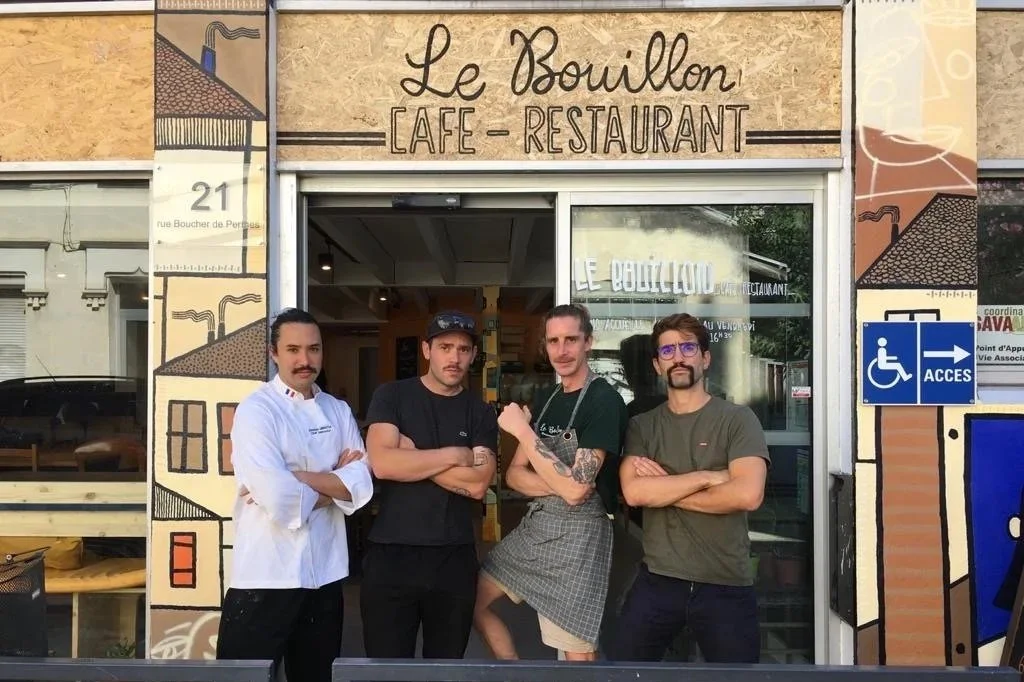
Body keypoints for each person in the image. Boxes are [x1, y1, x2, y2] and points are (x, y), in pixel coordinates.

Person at [216, 308, 374, 682]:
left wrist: (298, 477)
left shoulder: (337, 410)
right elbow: (276, 494)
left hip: (326, 575)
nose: (305, 360)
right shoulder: (256, 411)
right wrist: (335, 485)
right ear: (273, 353)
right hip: (265, 577)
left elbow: (362, 481)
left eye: (313, 349)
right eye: (293, 350)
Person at [608, 312, 770, 664]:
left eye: (688, 348)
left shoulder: (737, 420)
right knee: (622, 670)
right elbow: (635, 493)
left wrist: (663, 489)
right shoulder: (642, 426)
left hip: (725, 583)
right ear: (657, 365)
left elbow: (747, 494)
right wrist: (708, 477)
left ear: (705, 358)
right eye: (667, 351)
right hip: (658, 579)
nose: (678, 357)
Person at [474, 303, 628, 660]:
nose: (562, 350)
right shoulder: (548, 399)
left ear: (588, 342)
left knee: (577, 653)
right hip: (538, 527)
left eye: (571, 339)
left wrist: (523, 431)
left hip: (578, 538)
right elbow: (515, 475)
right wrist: (563, 485)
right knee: (473, 601)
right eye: (553, 341)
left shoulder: (604, 401)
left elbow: (576, 491)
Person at [361, 310, 499, 659]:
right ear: (426, 350)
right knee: (386, 667)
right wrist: (455, 455)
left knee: (445, 667)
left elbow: (478, 485)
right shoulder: (392, 396)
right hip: (391, 554)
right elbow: (383, 464)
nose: (454, 358)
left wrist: (413, 455)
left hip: (453, 558)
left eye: (463, 349)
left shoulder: (480, 412)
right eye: (445, 347)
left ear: (473, 355)